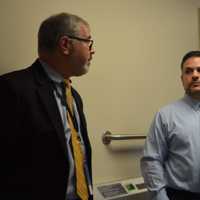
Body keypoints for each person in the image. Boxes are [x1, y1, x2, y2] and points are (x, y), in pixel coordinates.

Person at [0, 12, 95, 200]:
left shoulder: (74, 96)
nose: (93, 50)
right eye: (88, 42)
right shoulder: (12, 89)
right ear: (65, 45)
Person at [140, 50, 200, 200]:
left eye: (199, 70)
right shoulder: (165, 116)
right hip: (179, 195)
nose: (195, 75)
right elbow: (151, 161)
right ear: (182, 79)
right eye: (188, 71)